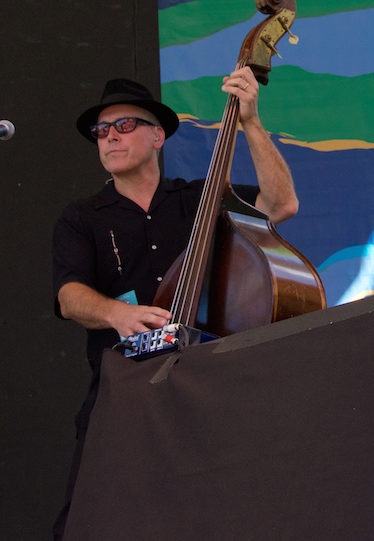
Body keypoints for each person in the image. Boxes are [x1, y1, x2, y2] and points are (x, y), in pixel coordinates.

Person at [51, 67, 297, 538]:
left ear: (157, 136)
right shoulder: (81, 217)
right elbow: (69, 296)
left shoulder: (200, 200)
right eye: (101, 132)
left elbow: (281, 205)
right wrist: (116, 313)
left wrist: (250, 121)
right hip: (123, 388)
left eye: (124, 126)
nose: (109, 138)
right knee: (89, 520)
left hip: (208, 387)